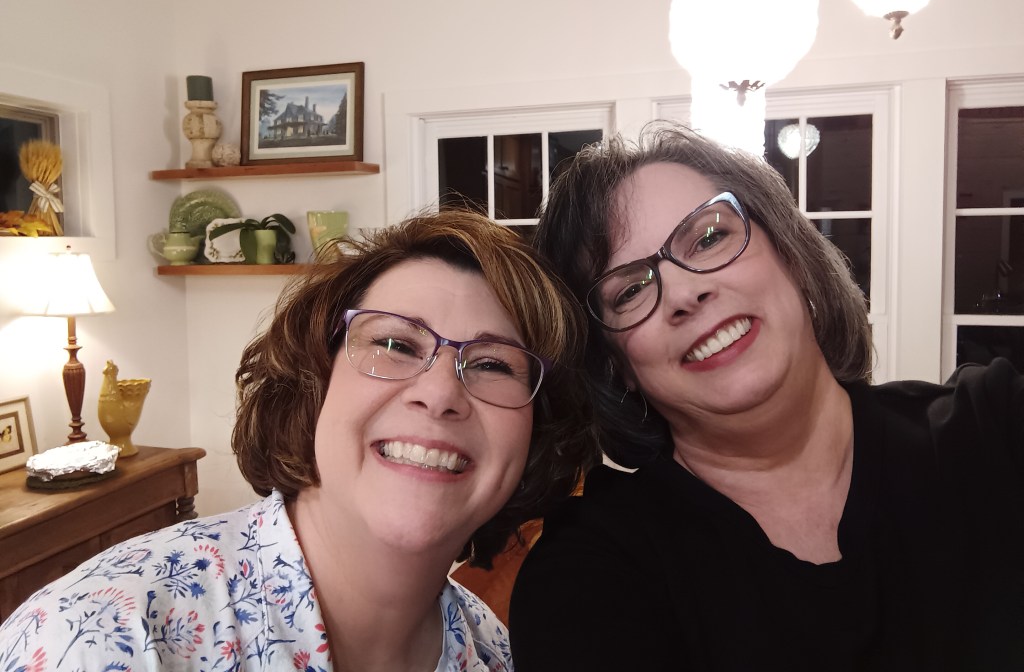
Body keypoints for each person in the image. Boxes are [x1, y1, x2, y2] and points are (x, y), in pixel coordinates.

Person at [510, 121, 1024, 670]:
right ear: (616, 366)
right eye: (630, 290)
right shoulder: (591, 573)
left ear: (791, 254)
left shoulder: (994, 427)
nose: (685, 292)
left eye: (709, 238)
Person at [0, 208, 596, 671]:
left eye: (493, 364)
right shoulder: (103, 637)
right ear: (314, 380)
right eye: (394, 344)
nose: (439, 394)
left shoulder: (495, 651)